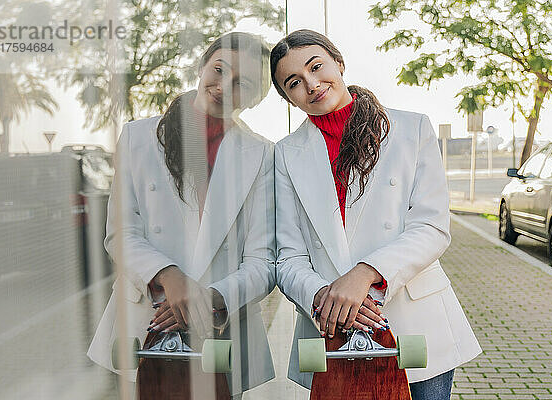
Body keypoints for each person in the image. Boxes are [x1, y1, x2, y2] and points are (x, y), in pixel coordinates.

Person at [271, 29, 481, 399]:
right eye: (295, 82)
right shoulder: (286, 154)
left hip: (413, 324)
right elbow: (287, 257)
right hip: (331, 329)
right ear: (289, 99)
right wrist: (327, 297)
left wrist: (366, 275)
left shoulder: (410, 128)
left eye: (317, 67)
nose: (312, 84)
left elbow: (431, 226)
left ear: (338, 62)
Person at [87, 32, 276, 399]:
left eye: (242, 84)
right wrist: (170, 278)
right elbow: (121, 234)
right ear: (202, 66)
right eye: (218, 70)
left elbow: (263, 261)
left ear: (254, 100)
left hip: (222, 331)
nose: (223, 86)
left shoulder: (261, 156)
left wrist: (207, 298)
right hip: (144, 322)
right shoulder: (138, 137)